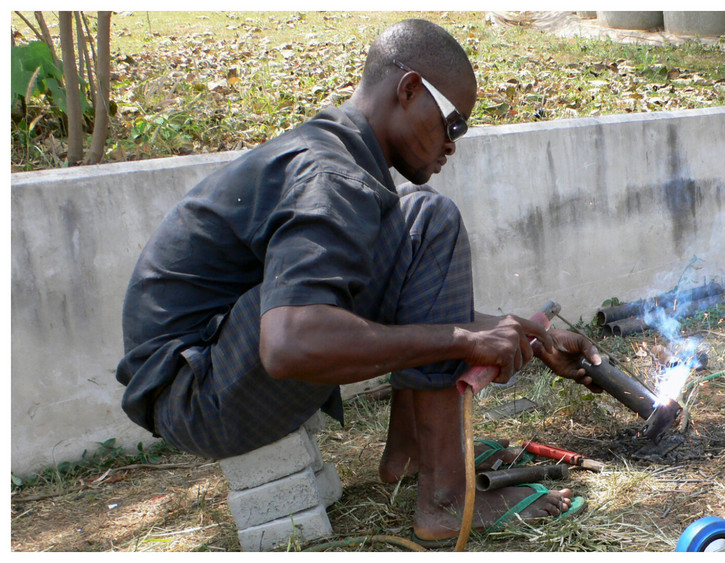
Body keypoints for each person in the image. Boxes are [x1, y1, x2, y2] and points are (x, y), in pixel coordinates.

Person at [116, 18, 601, 544]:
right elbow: (289, 345)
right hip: (198, 394)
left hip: (207, 374)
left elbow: (406, 302)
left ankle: (410, 455)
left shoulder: (338, 158)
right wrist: (462, 340)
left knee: (417, 220)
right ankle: (445, 500)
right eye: (453, 124)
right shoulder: (332, 178)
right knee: (429, 221)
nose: (453, 145)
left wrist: (525, 334)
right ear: (410, 89)